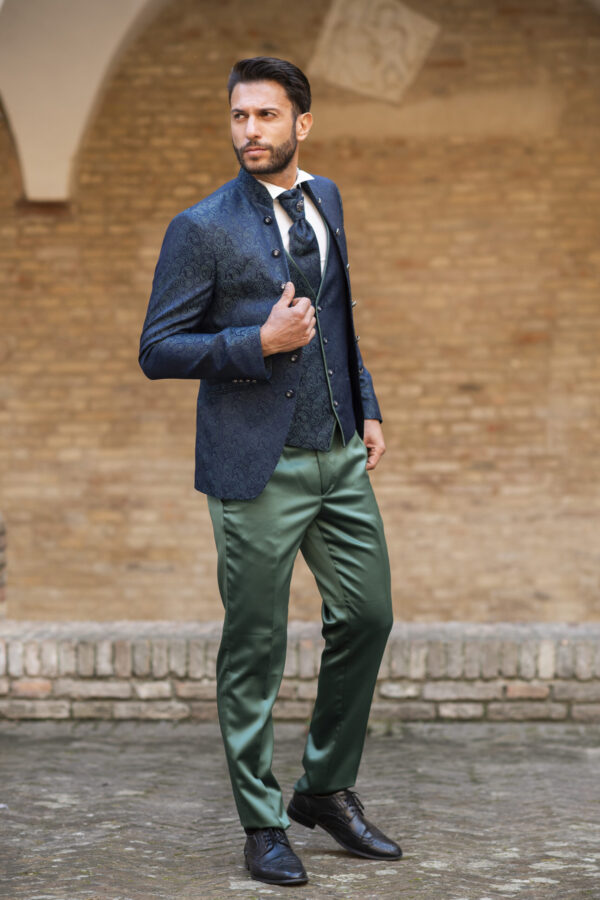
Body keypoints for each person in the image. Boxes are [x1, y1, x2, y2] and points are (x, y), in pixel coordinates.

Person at [139, 56, 401, 887]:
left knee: (368, 616)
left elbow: (339, 316)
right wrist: (255, 343)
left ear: (302, 123)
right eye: (239, 116)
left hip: (339, 458)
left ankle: (323, 787)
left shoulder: (328, 200)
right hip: (257, 467)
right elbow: (157, 349)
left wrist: (366, 402)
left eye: (266, 115)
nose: (249, 130)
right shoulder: (201, 227)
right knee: (255, 647)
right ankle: (262, 823)